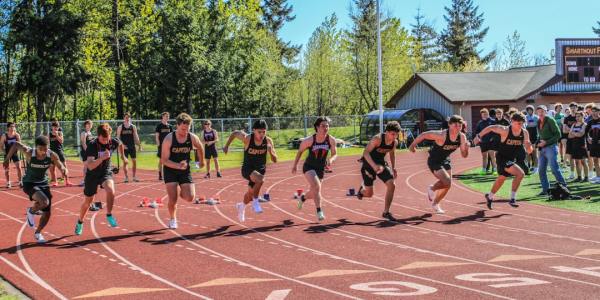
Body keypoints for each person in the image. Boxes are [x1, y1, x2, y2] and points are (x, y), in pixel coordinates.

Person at [4, 136, 68, 243]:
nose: (43, 152)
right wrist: (6, 159)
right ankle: (31, 211)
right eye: (40, 149)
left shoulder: (51, 155)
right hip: (29, 183)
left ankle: (38, 233)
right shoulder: (29, 153)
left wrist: (63, 169)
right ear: (35, 147)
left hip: (43, 183)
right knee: (44, 201)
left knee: (47, 213)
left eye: (45, 149)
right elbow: (15, 144)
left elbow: (60, 164)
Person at [409, 116, 469, 214]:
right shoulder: (442, 135)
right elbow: (424, 134)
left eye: (460, 126)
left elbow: (464, 156)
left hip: (445, 160)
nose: (457, 128)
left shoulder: (462, 137)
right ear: (449, 125)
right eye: (455, 125)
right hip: (434, 160)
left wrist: (466, 148)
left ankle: (435, 204)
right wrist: (412, 145)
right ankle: (432, 188)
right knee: (447, 181)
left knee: (447, 185)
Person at [74, 123, 127, 235]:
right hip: (92, 174)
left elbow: (121, 144)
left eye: (107, 139)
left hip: (105, 172)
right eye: (103, 139)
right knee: (88, 202)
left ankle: (109, 214)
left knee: (111, 191)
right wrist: (102, 158)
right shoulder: (92, 145)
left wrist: (123, 157)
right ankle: (80, 221)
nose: (105, 141)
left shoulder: (113, 141)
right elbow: (90, 165)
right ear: (98, 136)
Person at [474, 113, 533, 209]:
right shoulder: (505, 130)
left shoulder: (525, 133)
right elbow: (491, 127)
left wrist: (528, 146)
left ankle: (489, 196)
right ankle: (512, 199)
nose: (520, 126)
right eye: (518, 123)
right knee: (520, 174)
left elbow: (529, 151)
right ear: (512, 121)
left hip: (511, 159)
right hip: (502, 158)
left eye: (522, 123)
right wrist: (479, 136)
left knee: (501, 178)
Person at [223, 120, 278, 222]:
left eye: (264, 132)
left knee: (250, 194)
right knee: (261, 180)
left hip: (260, 170)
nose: (262, 134)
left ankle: (241, 207)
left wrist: (270, 152)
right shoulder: (248, 138)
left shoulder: (268, 141)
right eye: (259, 132)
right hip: (247, 169)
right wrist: (226, 146)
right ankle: (256, 202)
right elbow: (234, 133)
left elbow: (275, 160)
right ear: (254, 130)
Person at [160, 113, 205, 229]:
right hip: (170, 170)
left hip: (185, 170)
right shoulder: (169, 138)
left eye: (187, 129)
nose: (185, 131)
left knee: (190, 197)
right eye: (183, 129)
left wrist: (202, 161)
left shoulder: (191, 137)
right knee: (173, 199)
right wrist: (178, 165)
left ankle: (181, 189)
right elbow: (164, 160)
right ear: (177, 126)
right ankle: (173, 219)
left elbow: (200, 147)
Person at [292, 117, 338, 221]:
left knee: (314, 192)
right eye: (323, 126)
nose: (325, 128)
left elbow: (335, 154)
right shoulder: (310, 140)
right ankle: (319, 211)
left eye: (327, 126)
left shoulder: (331, 140)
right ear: (317, 127)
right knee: (317, 187)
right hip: (309, 167)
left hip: (320, 169)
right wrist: (295, 165)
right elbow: (300, 151)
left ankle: (303, 198)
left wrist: (331, 159)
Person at [355, 121, 400, 221]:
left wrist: (394, 167)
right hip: (368, 164)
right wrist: (374, 166)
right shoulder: (378, 139)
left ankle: (386, 212)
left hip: (381, 164)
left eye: (396, 134)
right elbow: (365, 152)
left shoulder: (394, 142)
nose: (394, 136)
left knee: (391, 184)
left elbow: (392, 154)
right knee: (369, 194)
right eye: (393, 134)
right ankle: (361, 192)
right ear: (387, 132)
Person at [536, 105, 568, 196]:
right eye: (538, 111)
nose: (540, 113)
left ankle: (564, 188)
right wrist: (537, 142)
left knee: (554, 169)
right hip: (542, 149)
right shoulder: (538, 121)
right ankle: (545, 190)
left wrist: (546, 142)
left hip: (551, 147)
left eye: (542, 111)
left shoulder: (550, 120)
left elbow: (558, 134)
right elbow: (540, 135)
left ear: (546, 112)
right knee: (541, 170)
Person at [117, 113, 142, 183]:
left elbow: (136, 136)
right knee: (125, 162)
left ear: (130, 118)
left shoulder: (133, 127)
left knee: (134, 161)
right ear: (124, 118)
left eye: (128, 117)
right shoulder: (120, 127)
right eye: (126, 117)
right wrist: (122, 145)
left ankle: (134, 177)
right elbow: (117, 138)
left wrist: (139, 145)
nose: (127, 119)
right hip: (124, 147)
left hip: (132, 146)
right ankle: (126, 177)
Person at [48, 121, 71, 186]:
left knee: (64, 166)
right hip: (52, 153)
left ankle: (67, 181)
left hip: (59, 151)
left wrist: (57, 135)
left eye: (56, 127)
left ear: (58, 127)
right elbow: (47, 143)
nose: (55, 128)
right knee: (52, 167)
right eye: (54, 127)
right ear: (52, 127)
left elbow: (61, 141)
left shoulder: (60, 133)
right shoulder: (49, 134)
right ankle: (55, 182)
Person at [474, 108, 496, 175]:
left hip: (491, 142)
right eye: (483, 114)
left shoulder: (493, 121)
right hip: (483, 142)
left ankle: (495, 170)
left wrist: (493, 137)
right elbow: (477, 132)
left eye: (485, 114)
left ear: (488, 114)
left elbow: (496, 130)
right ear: (481, 115)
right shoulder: (480, 123)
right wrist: (478, 138)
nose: (484, 116)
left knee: (492, 155)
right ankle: (484, 170)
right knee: (484, 156)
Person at [1, 122, 23, 188]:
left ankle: (20, 182)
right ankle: (8, 183)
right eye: (11, 126)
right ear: (8, 127)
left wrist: (19, 150)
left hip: (15, 153)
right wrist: (4, 151)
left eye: (13, 126)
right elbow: (1, 145)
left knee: (19, 168)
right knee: (7, 169)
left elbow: (20, 144)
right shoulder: (4, 136)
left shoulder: (17, 135)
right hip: (7, 154)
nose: (12, 128)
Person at [568, 111, 589, 182]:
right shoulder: (574, 124)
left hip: (582, 145)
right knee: (577, 162)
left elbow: (581, 134)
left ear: (582, 117)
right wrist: (576, 133)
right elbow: (569, 136)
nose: (577, 118)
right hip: (574, 145)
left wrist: (573, 133)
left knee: (583, 162)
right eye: (576, 116)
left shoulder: (584, 125)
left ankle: (586, 177)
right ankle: (579, 177)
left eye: (579, 116)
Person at [155, 112, 173, 181]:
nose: (167, 117)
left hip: (169, 146)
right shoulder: (159, 126)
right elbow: (157, 136)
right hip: (161, 146)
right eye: (166, 116)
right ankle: (160, 174)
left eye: (168, 116)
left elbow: (172, 136)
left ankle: (169, 174)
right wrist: (159, 145)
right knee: (161, 160)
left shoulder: (170, 126)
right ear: (162, 117)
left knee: (169, 160)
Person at [563, 103, 578, 179]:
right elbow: (564, 130)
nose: (573, 109)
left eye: (574, 107)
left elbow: (582, 128)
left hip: (579, 140)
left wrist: (570, 130)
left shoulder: (579, 117)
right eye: (571, 107)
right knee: (571, 157)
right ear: (570, 108)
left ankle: (580, 174)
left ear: (577, 108)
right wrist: (574, 131)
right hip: (570, 139)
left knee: (579, 158)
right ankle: (572, 174)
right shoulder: (566, 118)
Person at [586, 106, 600, 183]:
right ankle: (598, 176)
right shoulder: (590, 122)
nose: (594, 113)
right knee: (595, 160)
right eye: (593, 111)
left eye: (595, 111)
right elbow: (586, 132)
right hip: (593, 144)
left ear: (599, 112)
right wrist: (588, 138)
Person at [79, 120, 95, 187]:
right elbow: (83, 143)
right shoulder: (84, 133)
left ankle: (88, 180)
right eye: (88, 125)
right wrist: (87, 151)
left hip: (90, 152)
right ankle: (84, 181)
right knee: (86, 166)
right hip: (85, 152)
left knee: (90, 166)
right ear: (85, 125)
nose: (89, 126)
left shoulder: (90, 133)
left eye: (90, 125)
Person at [525, 105, 539, 174]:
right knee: (528, 152)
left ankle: (536, 167)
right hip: (528, 135)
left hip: (535, 135)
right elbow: (525, 126)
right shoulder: (525, 117)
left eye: (531, 110)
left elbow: (538, 127)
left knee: (534, 152)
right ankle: (528, 166)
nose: (530, 111)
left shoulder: (536, 117)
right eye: (528, 110)